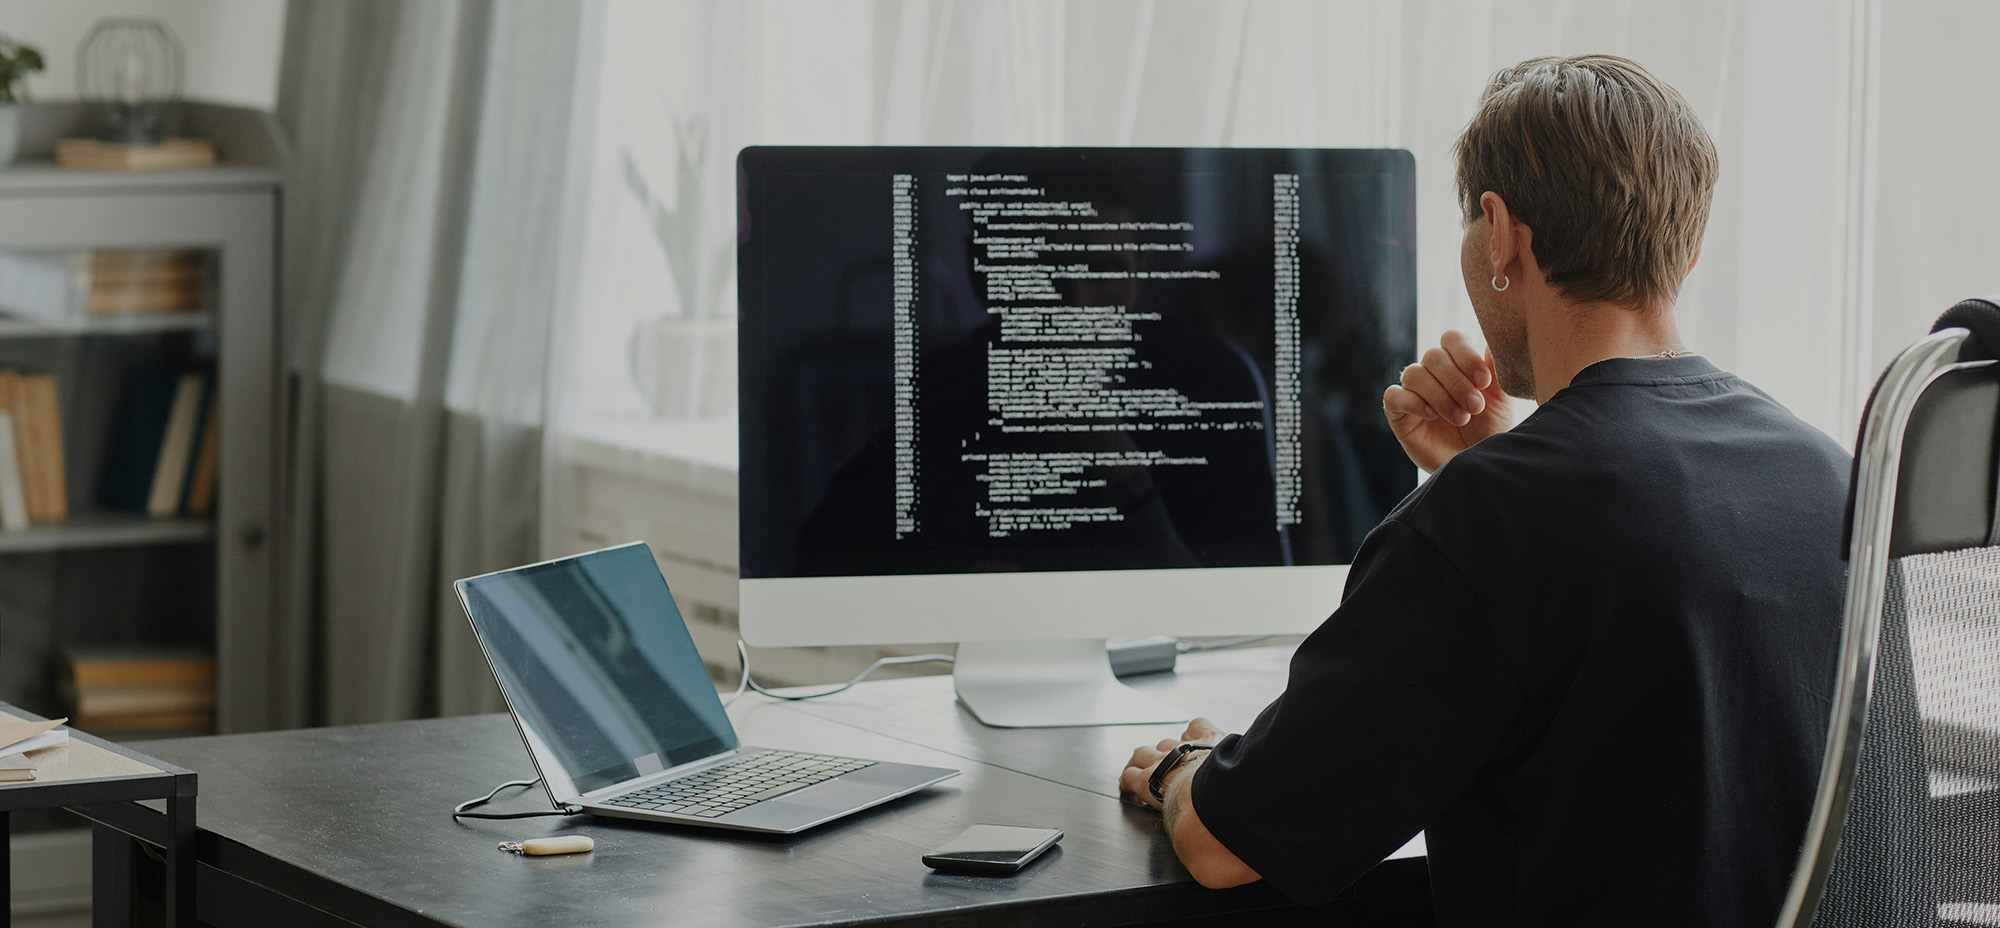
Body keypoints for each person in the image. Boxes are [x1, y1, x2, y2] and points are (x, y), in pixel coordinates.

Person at [1118, 54, 1855, 926]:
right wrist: (1500, 466)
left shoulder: (1494, 518)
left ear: (1500, 231)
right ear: (1688, 248)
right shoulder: (1831, 473)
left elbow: (1224, 846)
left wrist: (1183, 770)